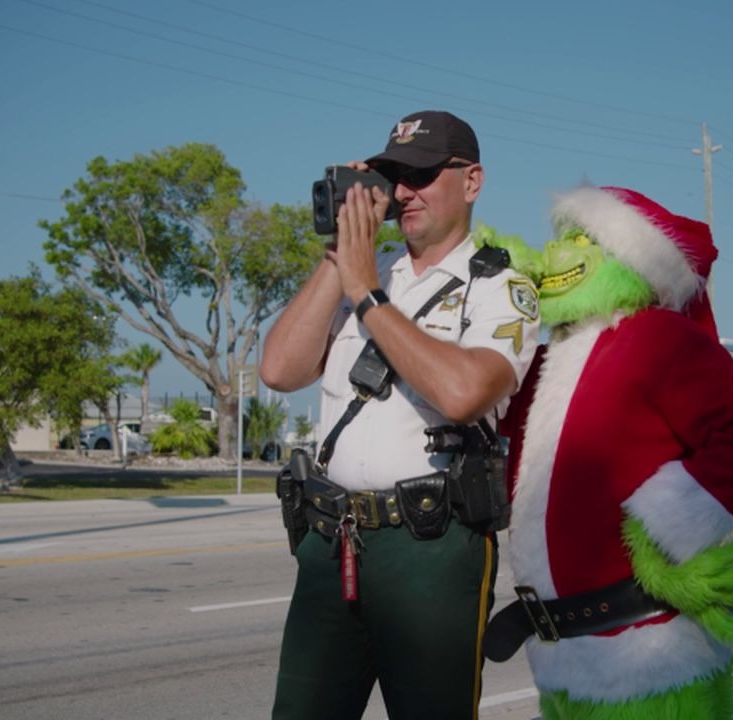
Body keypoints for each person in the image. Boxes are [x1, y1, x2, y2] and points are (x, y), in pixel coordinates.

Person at [481, 185, 733, 719]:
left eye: (583, 240)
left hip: (648, 654)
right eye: (561, 238)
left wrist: (664, 521)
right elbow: (481, 403)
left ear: (630, 261)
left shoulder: (657, 336)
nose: (560, 251)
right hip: (561, 661)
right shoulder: (548, 360)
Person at [260, 110, 540, 720]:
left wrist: (366, 294)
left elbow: (465, 392)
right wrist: (340, 257)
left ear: (472, 182)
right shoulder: (361, 269)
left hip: (430, 549)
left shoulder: (498, 287)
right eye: (393, 177)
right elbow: (280, 370)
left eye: (422, 174)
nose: (405, 192)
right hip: (333, 540)